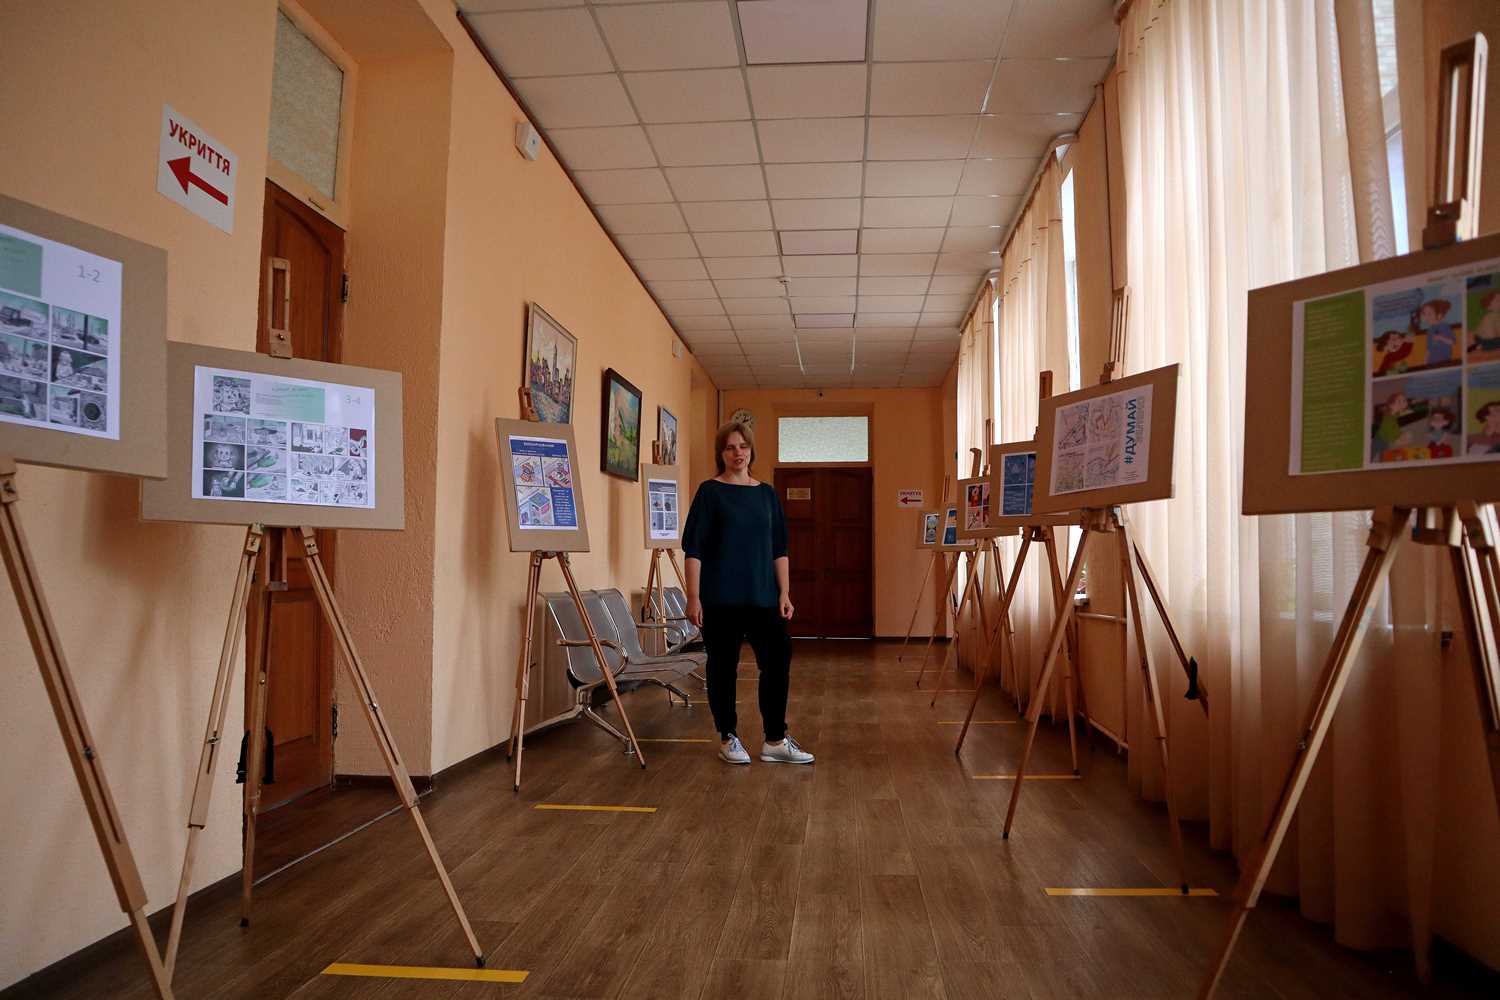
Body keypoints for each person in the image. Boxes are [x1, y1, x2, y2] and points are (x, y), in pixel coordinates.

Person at [682, 420, 814, 766]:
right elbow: (694, 548)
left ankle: (775, 739)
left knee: (777, 663)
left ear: (751, 450)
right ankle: (728, 737)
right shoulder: (710, 492)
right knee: (723, 669)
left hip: (764, 598)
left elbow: (779, 548)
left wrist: (784, 593)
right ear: (721, 453)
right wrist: (693, 597)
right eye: (730, 447)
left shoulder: (767, 494)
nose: (737, 453)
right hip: (719, 599)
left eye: (743, 446)